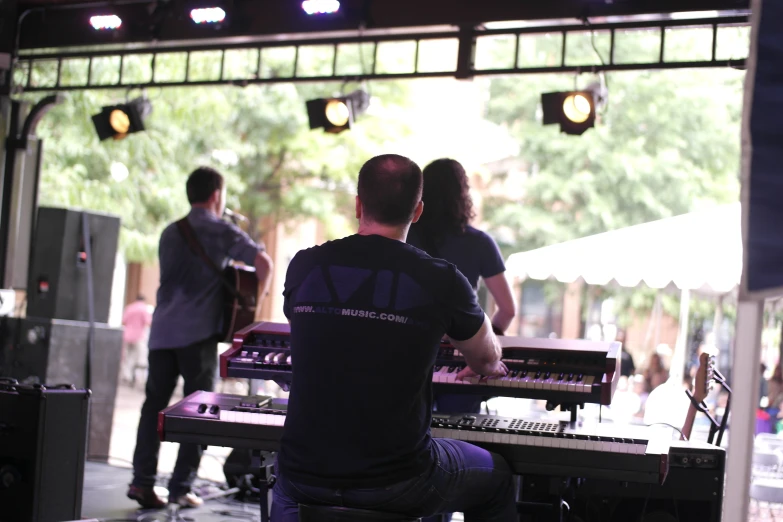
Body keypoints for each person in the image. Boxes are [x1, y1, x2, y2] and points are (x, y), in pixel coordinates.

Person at [271, 154, 517, 522]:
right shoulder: (443, 279)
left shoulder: (305, 265)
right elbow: (484, 359)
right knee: (498, 478)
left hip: (299, 478)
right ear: (416, 211)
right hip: (400, 480)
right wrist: (490, 359)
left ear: (358, 204)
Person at [127, 167, 274, 509]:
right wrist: (254, 303)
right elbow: (263, 263)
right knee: (197, 411)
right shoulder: (220, 229)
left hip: (161, 332)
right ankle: (181, 487)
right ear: (216, 195)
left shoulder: (169, 232)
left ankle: (141, 482)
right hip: (197, 334)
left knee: (153, 408)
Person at [406, 158, 516, 416]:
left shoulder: (405, 237)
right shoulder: (480, 243)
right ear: (463, 194)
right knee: (460, 435)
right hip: (462, 361)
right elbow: (508, 309)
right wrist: (480, 356)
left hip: (411, 357)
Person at [121, 295, 152, 386]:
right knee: (135, 357)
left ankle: (127, 375)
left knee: (126, 357)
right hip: (138, 336)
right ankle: (132, 376)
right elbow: (148, 322)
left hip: (127, 335)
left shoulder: (129, 307)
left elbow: (124, 320)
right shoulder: (144, 309)